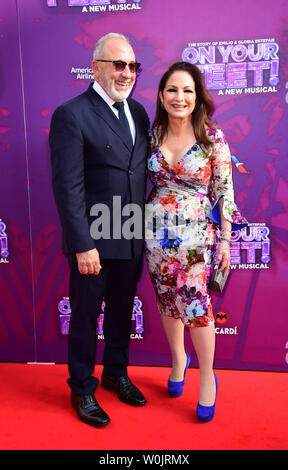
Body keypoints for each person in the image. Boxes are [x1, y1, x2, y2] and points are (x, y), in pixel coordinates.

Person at [49, 33, 150, 427]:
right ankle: (82, 389)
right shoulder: (71, 114)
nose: (126, 73)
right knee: (86, 316)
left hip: (131, 235)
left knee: (122, 312)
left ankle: (115, 373)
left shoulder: (139, 113)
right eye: (118, 65)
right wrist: (82, 244)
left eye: (132, 66)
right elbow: (67, 185)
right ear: (96, 68)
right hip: (93, 241)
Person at [145, 61, 247, 422]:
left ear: (197, 96)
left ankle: (207, 377)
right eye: (172, 89)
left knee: (196, 307)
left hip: (195, 241)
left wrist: (224, 244)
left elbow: (225, 192)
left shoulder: (211, 137)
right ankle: (178, 360)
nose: (180, 97)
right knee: (166, 302)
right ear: (161, 95)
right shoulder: (151, 134)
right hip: (156, 236)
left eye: (187, 90)